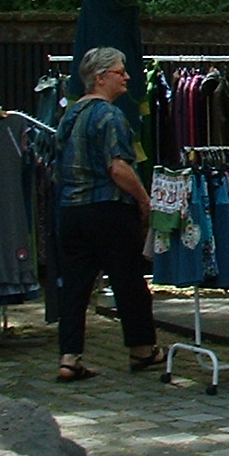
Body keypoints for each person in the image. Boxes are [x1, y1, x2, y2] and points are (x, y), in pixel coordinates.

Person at [55, 47, 159, 381]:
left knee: (75, 288)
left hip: (71, 210)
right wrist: (145, 199)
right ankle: (142, 349)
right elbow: (118, 168)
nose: (127, 76)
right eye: (120, 71)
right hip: (108, 210)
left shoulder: (69, 116)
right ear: (100, 77)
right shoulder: (110, 116)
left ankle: (69, 357)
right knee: (129, 280)